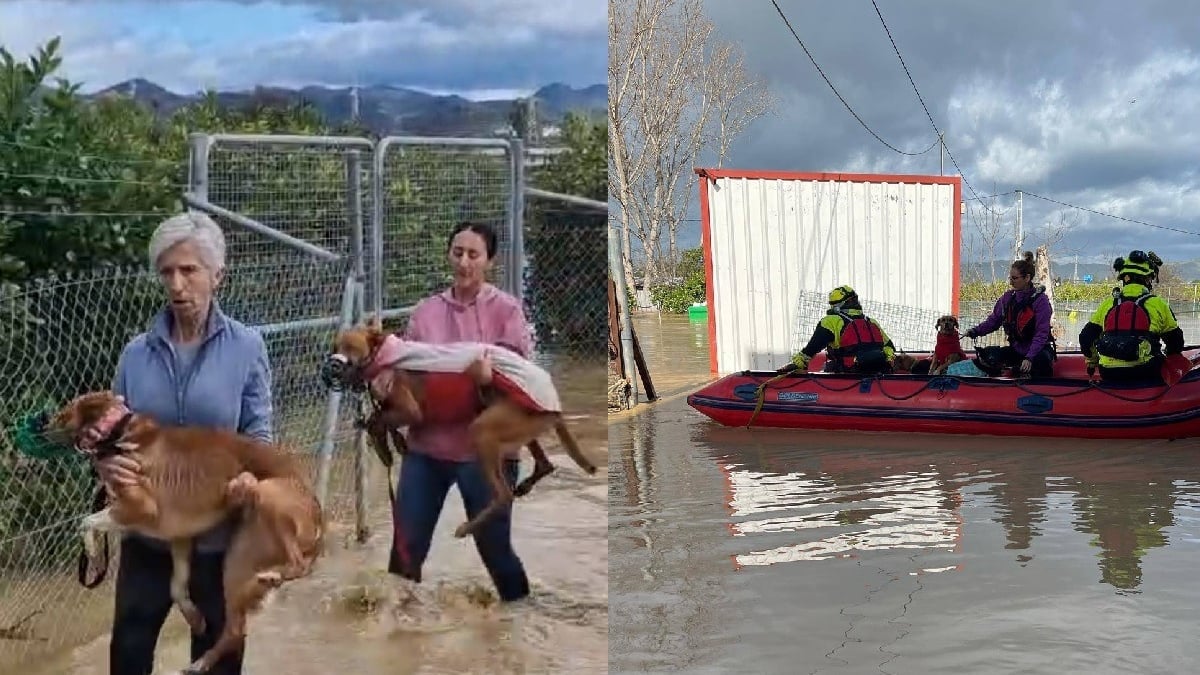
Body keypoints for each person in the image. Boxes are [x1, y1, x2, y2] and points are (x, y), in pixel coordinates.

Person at [93, 212, 273, 675]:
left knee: (218, 658)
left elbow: (258, 437)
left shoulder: (247, 347)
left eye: (189, 270)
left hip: (218, 541)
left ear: (218, 275)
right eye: (167, 271)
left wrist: (252, 481)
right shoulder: (136, 353)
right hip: (148, 538)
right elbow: (113, 433)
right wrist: (106, 465)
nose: (177, 284)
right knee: (128, 655)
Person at [388, 220, 534, 603]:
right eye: (458, 253)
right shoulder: (425, 313)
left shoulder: (506, 311)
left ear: (489, 261)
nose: (464, 262)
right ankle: (399, 641)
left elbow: (522, 379)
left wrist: (488, 377)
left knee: (496, 555)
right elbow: (404, 369)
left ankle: (520, 629)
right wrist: (385, 381)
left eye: (474, 254)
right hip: (427, 448)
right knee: (404, 557)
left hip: (485, 454)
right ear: (448, 255)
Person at [1078, 250, 1184, 385]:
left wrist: (1092, 363)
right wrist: (1170, 356)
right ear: (1147, 278)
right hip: (1145, 370)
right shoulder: (1158, 304)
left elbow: (1086, 337)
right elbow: (1176, 341)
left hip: (1109, 372)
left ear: (1123, 278)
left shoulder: (1107, 304)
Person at [963, 251, 1056, 377]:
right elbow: (993, 321)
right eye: (1010, 278)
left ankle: (1035, 382)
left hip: (1038, 351)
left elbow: (1041, 334)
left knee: (1041, 361)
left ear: (1027, 278)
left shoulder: (1041, 301)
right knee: (989, 355)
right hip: (1017, 350)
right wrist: (975, 331)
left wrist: (1029, 358)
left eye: (1015, 278)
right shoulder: (1007, 299)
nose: (1011, 282)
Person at [779, 285, 896, 375]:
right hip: (878, 373)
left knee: (828, 367)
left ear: (836, 306)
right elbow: (889, 346)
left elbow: (811, 349)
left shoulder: (831, 322)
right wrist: (887, 359)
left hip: (847, 374)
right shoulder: (871, 322)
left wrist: (797, 363)